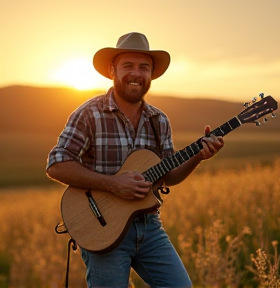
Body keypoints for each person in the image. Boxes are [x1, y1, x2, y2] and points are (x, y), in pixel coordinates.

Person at [46, 32, 224, 288]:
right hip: (102, 229)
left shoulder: (158, 120)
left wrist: (198, 156)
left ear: (151, 74)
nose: (136, 73)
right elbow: (56, 164)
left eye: (144, 67)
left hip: (150, 227)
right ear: (112, 70)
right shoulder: (88, 114)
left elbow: (168, 175)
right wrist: (112, 184)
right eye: (128, 65)